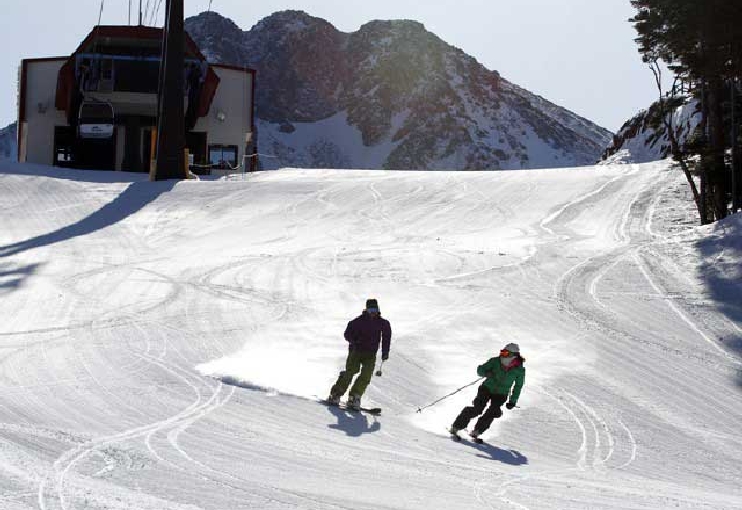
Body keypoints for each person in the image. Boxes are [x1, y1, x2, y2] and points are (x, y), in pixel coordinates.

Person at [449, 343, 525, 439]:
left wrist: (512, 401)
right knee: (477, 409)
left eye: (505, 353)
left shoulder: (519, 370)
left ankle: (477, 431)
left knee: (492, 411)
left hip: (501, 394)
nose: (502, 355)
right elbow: (480, 369)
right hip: (486, 388)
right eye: (502, 352)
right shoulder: (495, 361)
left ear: (513, 355)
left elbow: (518, 386)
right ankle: (456, 426)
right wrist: (485, 373)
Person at [328, 299, 392, 410]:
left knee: (366, 375)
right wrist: (354, 340)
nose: (373, 312)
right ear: (366, 310)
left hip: (371, 354)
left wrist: (385, 352)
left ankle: (354, 396)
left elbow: (386, 337)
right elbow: (347, 334)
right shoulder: (358, 321)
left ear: (378, 309)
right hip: (356, 351)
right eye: (371, 309)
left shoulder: (383, 323)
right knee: (351, 372)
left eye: (375, 309)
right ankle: (336, 394)